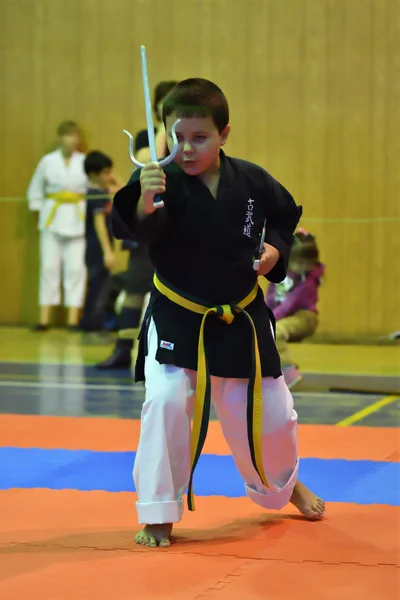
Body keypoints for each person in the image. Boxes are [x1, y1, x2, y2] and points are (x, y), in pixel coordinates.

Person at [111, 78, 325, 548]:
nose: (186, 149)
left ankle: (282, 487)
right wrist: (145, 198)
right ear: (166, 131)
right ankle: (158, 511)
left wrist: (274, 250)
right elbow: (133, 229)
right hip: (178, 314)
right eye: (178, 137)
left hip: (242, 319)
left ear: (224, 133)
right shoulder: (155, 178)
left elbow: (285, 215)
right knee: (166, 402)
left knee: (274, 417)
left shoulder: (250, 179)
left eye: (200, 138)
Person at [96, 80, 177, 368]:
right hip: (148, 219)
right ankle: (123, 349)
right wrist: (163, 127)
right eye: (164, 103)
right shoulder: (148, 136)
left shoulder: (187, 137)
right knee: (134, 288)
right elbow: (148, 159)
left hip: (177, 223)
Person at [27, 120, 88, 331]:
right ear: (60, 137)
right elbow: (34, 190)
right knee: (49, 268)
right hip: (51, 220)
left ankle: (73, 319)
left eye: (75, 136)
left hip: (78, 220)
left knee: (75, 270)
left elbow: (93, 188)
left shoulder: (84, 161)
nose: (72, 140)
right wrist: (38, 209)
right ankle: (44, 319)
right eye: (68, 135)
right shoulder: (48, 161)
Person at [266, 229, 325, 389]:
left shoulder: (308, 282)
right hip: (287, 316)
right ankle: (274, 370)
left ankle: (289, 373)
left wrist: (268, 319)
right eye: (299, 263)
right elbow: (271, 295)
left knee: (275, 331)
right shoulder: (281, 272)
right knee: (265, 331)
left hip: (304, 317)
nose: (304, 267)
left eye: (308, 263)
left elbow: (290, 304)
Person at [79, 150, 122, 343]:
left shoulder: (101, 191)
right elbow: (98, 223)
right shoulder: (95, 194)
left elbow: (124, 190)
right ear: (93, 174)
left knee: (100, 286)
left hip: (100, 249)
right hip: (97, 249)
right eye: (105, 173)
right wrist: (107, 252)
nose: (109, 177)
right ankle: (92, 328)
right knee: (98, 288)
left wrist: (113, 179)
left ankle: (93, 325)